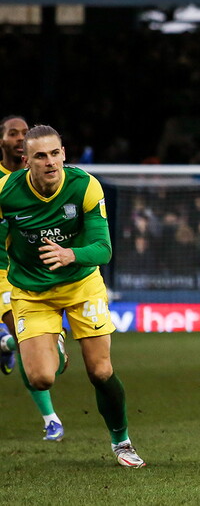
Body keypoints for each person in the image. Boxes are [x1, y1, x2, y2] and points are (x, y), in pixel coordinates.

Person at [0, 125, 144, 466]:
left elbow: (103, 249)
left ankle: (121, 441)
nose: (49, 162)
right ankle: (56, 343)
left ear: (64, 153)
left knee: (100, 371)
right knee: (41, 377)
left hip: (80, 284)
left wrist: (71, 254)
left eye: (55, 153)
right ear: (25, 161)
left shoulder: (84, 186)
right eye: (40, 156)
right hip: (31, 291)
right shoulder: (7, 191)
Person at [0, 115, 68, 442]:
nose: (18, 138)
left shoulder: (51, 181)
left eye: (24, 134)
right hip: (5, 274)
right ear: (2, 141)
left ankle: (7, 344)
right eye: (12, 133)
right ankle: (50, 417)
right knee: (28, 341)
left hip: (38, 271)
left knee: (38, 352)